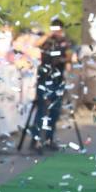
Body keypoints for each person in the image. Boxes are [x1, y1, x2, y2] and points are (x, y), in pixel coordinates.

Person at [31, 19, 72, 152]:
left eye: (58, 29)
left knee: (55, 111)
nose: (56, 31)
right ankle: (36, 139)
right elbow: (35, 44)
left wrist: (63, 59)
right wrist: (48, 35)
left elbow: (70, 56)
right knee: (42, 109)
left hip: (58, 79)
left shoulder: (64, 42)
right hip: (44, 78)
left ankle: (49, 139)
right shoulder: (46, 40)